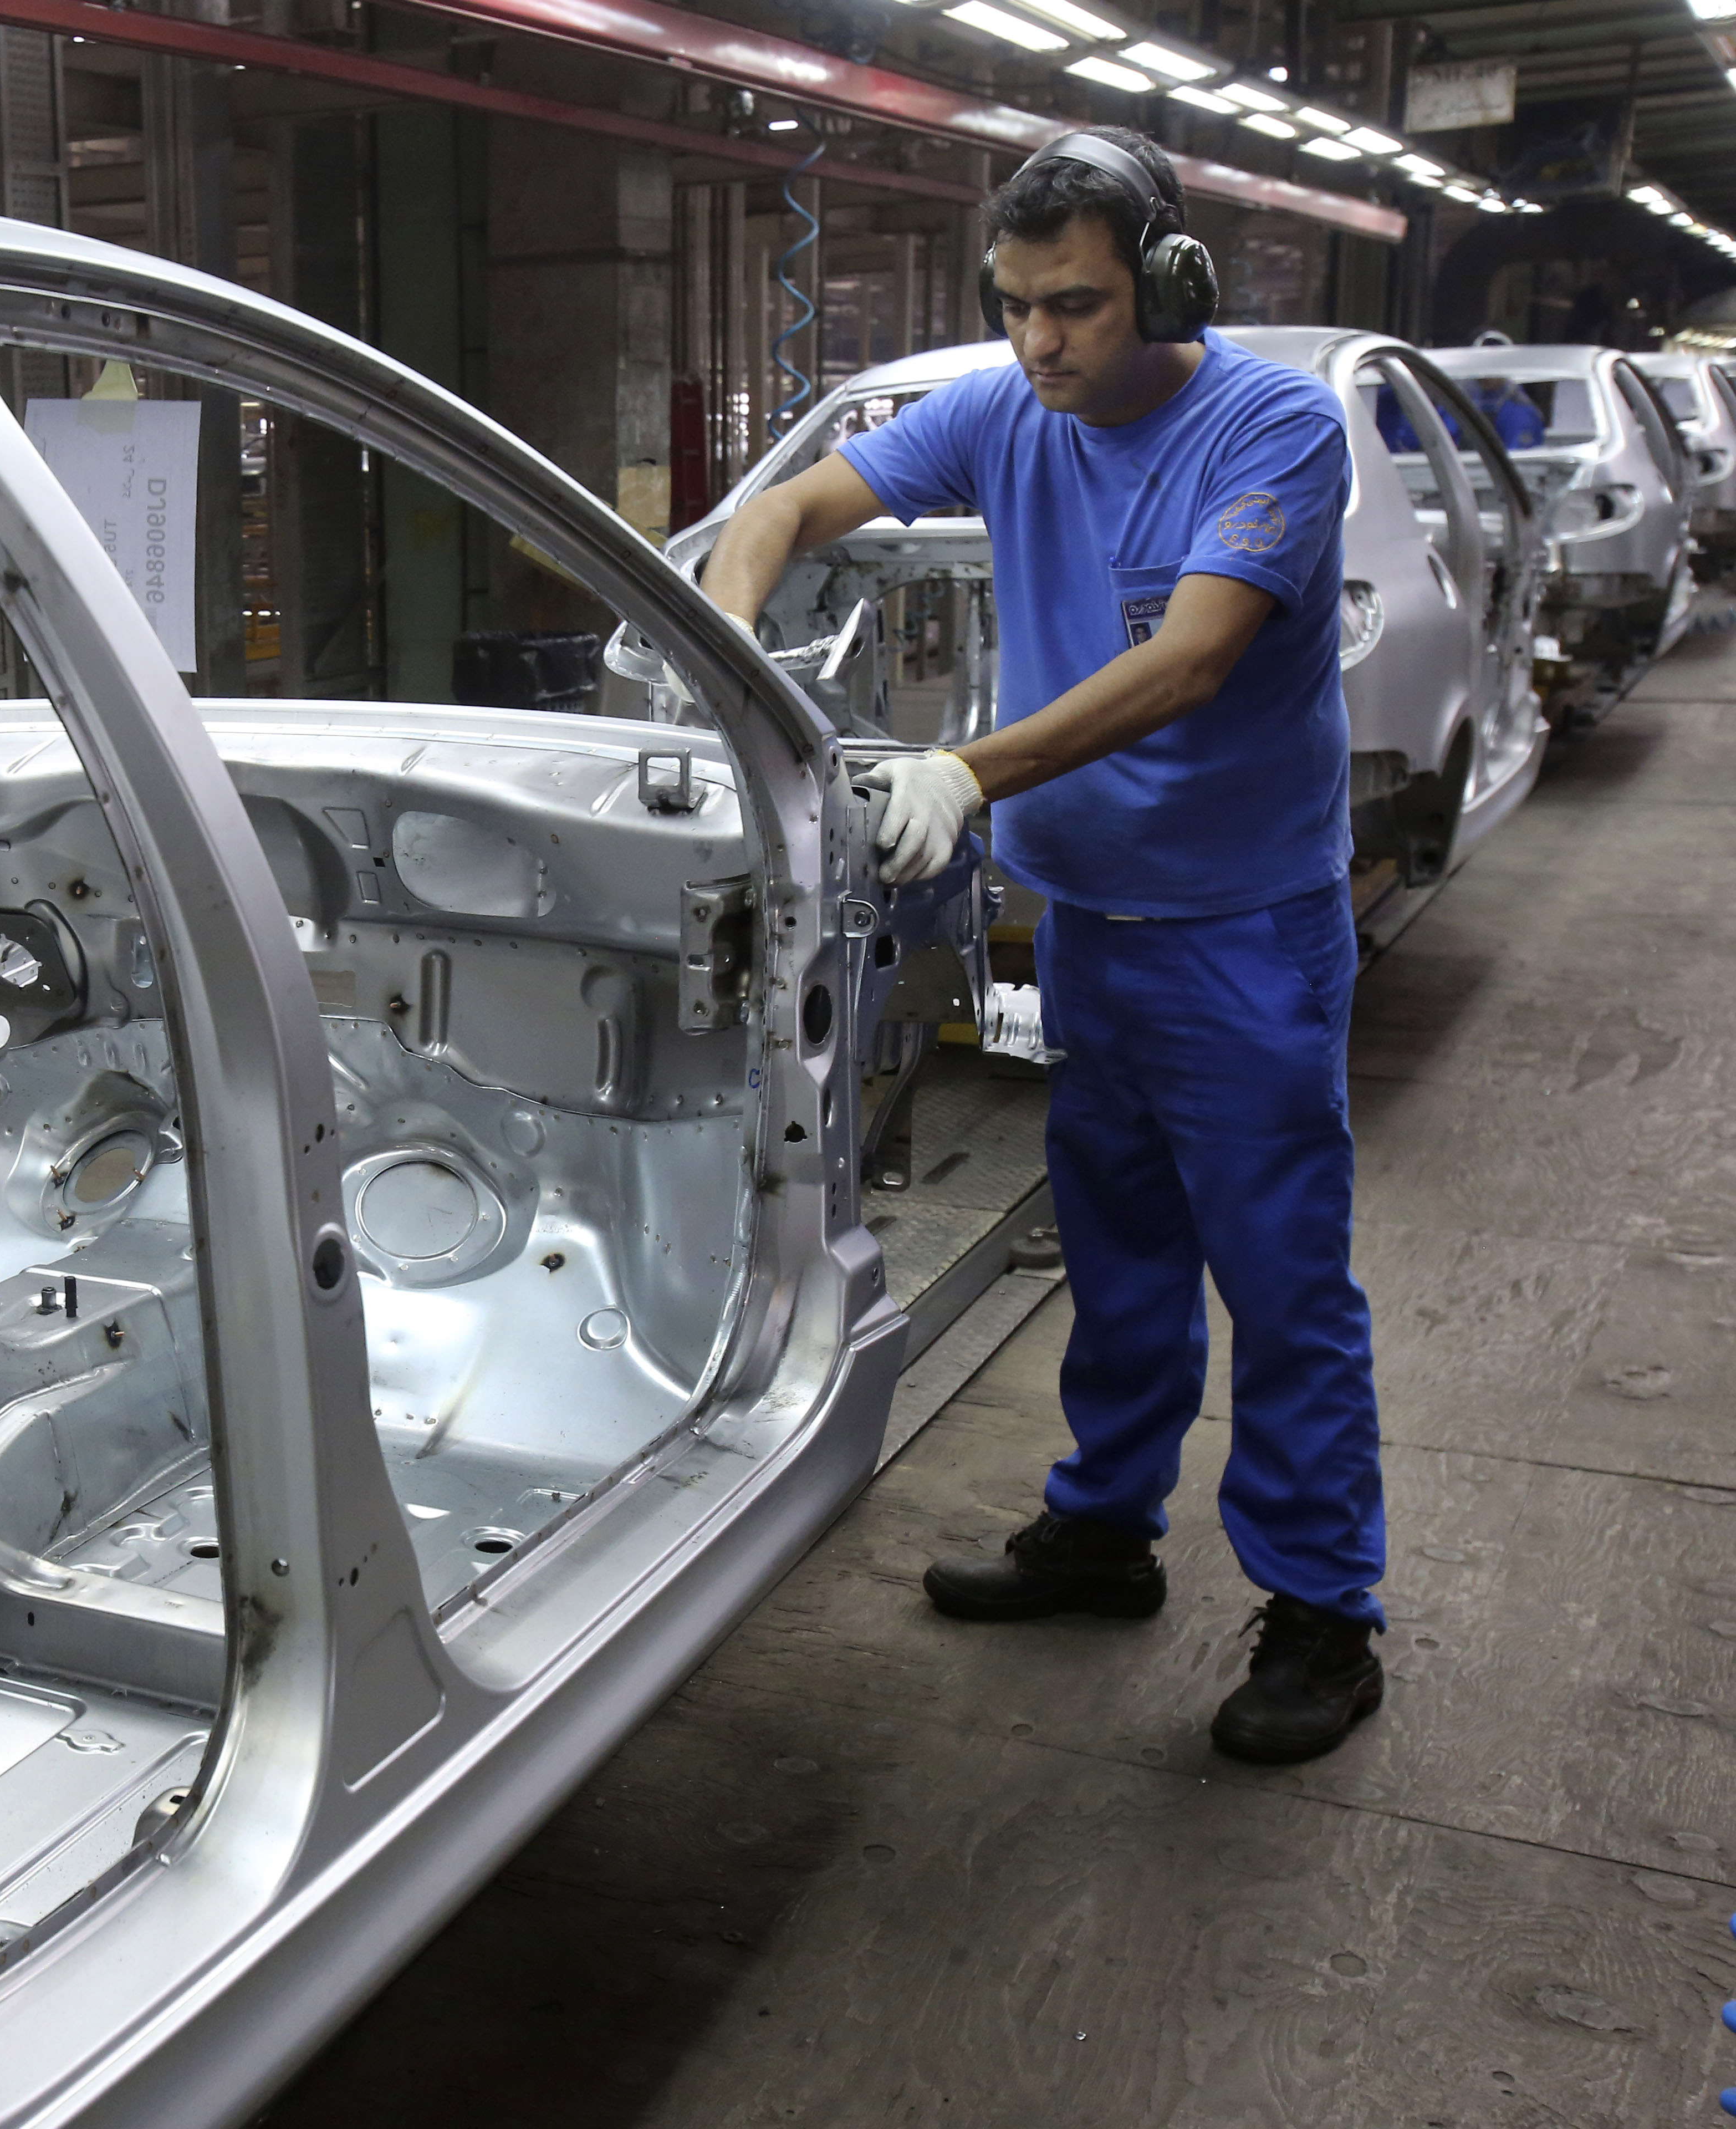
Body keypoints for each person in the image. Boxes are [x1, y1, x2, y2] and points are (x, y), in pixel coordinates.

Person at [703, 126, 1387, 1765]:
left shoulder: (1274, 428)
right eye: (1014, 306)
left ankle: (1322, 1615)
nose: (1038, 342)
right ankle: (1103, 1534)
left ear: (1165, 280)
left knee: (1281, 1283)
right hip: (1083, 927)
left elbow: (1194, 662)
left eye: (1073, 306)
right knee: (1122, 1253)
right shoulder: (1012, 411)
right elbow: (793, 502)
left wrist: (965, 768)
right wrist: (721, 645)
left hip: (1244, 937)